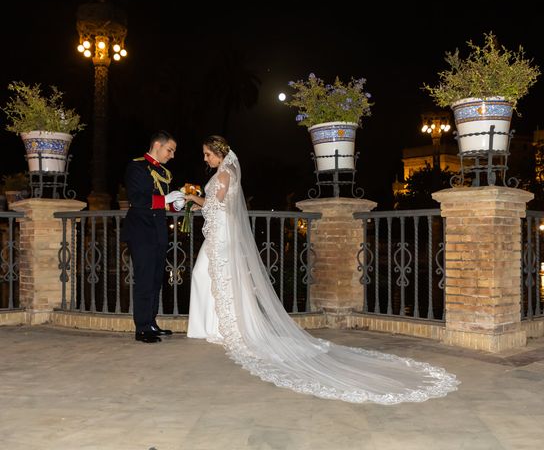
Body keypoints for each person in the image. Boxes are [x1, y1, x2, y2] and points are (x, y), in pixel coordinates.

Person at [185, 135, 459, 404]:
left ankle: (219, 327)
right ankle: (216, 325)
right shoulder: (225, 172)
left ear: (219, 153)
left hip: (220, 235)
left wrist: (191, 197)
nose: (205, 158)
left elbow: (215, 205)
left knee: (206, 275)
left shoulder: (223, 175)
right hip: (220, 233)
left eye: (207, 153)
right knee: (217, 277)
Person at [122, 131, 185, 343]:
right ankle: (141, 328)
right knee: (144, 279)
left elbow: (161, 205)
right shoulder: (137, 167)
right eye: (170, 150)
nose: (172, 155)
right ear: (157, 145)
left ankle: (151, 322)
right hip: (140, 231)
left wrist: (175, 206)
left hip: (157, 231)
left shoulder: (163, 172)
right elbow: (138, 199)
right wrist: (166, 198)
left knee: (157, 279)